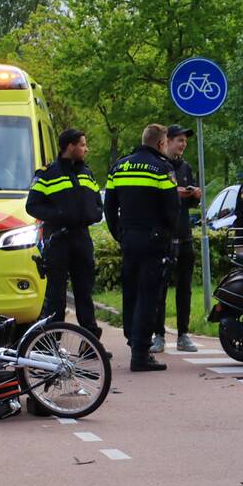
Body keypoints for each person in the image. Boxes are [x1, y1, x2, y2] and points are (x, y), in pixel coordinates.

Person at [104, 124, 180, 372]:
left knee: (131, 292)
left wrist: (119, 233)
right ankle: (141, 353)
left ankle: (132, 338)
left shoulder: (120, 166)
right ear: (160, 143)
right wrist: (168, 236)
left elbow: (109, 206)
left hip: (129, 240)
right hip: (153, 241)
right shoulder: (162, 168)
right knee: (149, 296)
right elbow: (172, 209)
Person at [26, 128, 105, 349]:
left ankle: (90, 345)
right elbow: (32, 205)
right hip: (58, 240)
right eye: (82, 144)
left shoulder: (86, 173)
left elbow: (98, 204)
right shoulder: (47, 173)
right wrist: (60, 216)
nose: (86, 149)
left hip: (81, 238)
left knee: (84, 293)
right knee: (56, 297)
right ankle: (50, 345)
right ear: (70, 146)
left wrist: (92, 214)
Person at [151, 124, 201, 354]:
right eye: (179, 140)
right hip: (164, 236)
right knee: (160, 287)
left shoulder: (186, 168)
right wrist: (174, 194)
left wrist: (195, 196)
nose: (183, 144)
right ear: (167, 141)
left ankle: (183, 334)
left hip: (184, 235)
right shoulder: (158, 166)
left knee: (185, 288)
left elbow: (190, 204)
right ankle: (159, 334)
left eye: (185, 141)